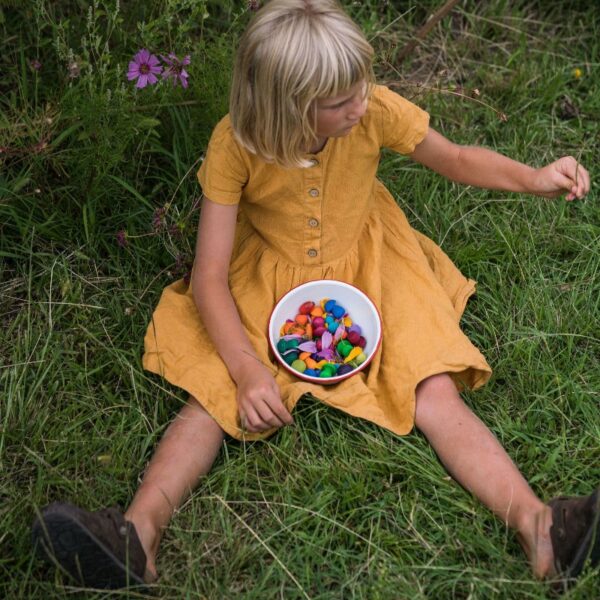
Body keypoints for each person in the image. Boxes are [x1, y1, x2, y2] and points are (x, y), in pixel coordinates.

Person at [32, 0, 598, 592]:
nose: (360, 105)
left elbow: (453, 157)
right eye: (340, 102)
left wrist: (533, 177)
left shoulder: (371, 108)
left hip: (374, 266)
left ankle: (541, 527)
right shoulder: (235, 144)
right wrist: (248, 370)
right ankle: (135, 538)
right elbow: (209, 274)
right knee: (212, 396)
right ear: (286, 107)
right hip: (269, 280)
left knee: (430, 384)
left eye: (361, 88)